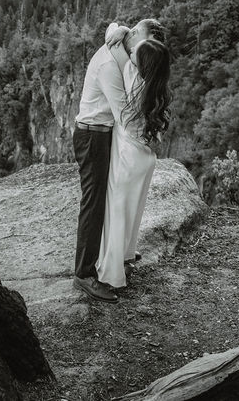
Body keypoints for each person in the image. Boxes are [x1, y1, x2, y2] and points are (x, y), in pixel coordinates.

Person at [72, 19, 166, 302]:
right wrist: (148, 136)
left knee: (108, 201)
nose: (143, 55)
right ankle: (85, 274)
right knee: (95, 202)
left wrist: (118, 29)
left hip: (106, 134)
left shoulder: (124, 46)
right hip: (94, 136)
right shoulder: (111, 67)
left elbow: (114, 27)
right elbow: (124, 116)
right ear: (134, 36)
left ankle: (117, 254)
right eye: (141, 46)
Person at [96, 23, 170, 289]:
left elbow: (113, 43)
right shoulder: (154, 88)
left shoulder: (131, 76)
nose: (132, 55)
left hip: (128, 157)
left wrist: (119, 29)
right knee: (133, 210)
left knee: (117, 213)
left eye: (136, 54)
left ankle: (111, 275)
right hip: (144, 159)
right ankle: (128, 252)